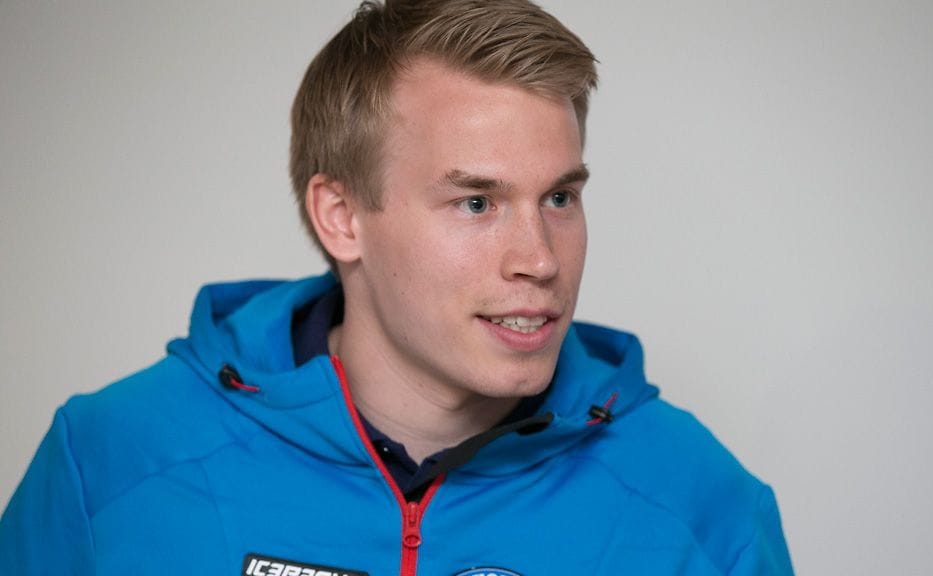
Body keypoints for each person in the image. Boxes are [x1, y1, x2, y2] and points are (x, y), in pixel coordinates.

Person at [0, 0, 793, 574]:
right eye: (477, 202)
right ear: (342, 217)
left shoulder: (702, 506)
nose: (539, 260)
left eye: (559, 197)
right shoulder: (109, 462)